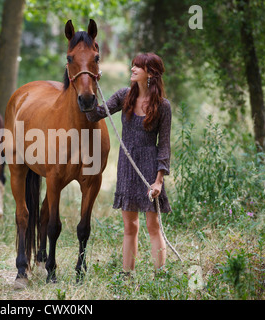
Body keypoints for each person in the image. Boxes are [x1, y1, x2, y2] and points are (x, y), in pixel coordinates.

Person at [86, 52, 172, 273]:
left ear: (150, 74)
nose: (132, 69)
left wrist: (158, 181)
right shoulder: (125, 96)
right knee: (129, 226)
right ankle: (127, 276)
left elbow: (164, 146)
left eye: (138, 67)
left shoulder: (163, 106)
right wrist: (90, 85)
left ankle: (160, 277)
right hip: (126, 165)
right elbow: (94, 115)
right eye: (133, 66)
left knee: (153, 226)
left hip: (150, 168)